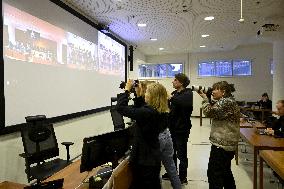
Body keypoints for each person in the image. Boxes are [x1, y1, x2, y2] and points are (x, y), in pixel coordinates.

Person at [116, 80, 169, 189]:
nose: (145, 94)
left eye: (147, 93)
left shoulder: (147, 112)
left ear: (153, 96)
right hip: (152, 156)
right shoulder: (161, 111)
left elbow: (120, 108)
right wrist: (138, 93)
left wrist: (126, 90)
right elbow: (140, 108)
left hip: (144, 160)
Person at [133, 80, 182, 189]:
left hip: (158, 138)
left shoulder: (150, 108)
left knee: (154, 169)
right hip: (166, 135)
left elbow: (139, 111)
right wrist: (138, 93)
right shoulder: (163, 104)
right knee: (171, 167)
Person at [198, 81, 240, 189]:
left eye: (216, 89)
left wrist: (205, 99)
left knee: (214, 174)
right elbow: (216, 110)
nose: (213, 91)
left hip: (222, 145)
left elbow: (209, 112)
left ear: (223, 91)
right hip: (226, 144)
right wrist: (208, 98)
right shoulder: (227, 101)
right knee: (225, 172)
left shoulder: (226, 102)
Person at [163, 73, 193, 184]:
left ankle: (183, 176)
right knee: (171, 152)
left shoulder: (188, 93)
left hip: (182, 129)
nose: (173, 82)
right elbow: (170, 107)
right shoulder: (174, 93)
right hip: (172, 128)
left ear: (181, 82)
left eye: (175, 80)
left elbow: (181, 103)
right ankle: (172, 173)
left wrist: (170, 97)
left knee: (181, 154)